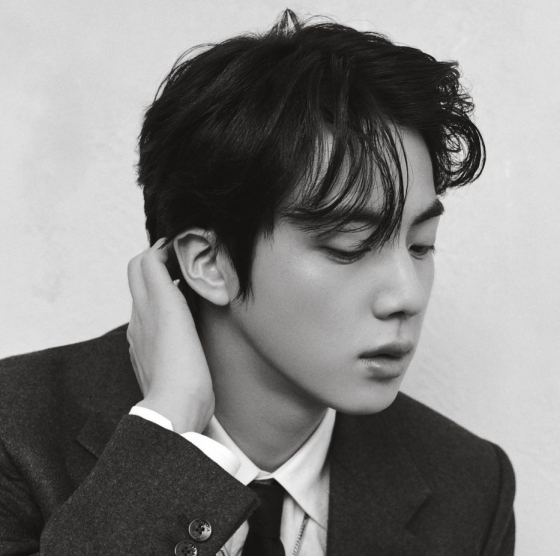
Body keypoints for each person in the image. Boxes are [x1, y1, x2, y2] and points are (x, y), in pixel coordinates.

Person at [0, 10, 515, 556]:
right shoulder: (15, 433)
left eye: (421, 245)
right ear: (208, 262)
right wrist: (169, 431)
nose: (407, 296)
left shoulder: (471, 486)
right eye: (350, 245)